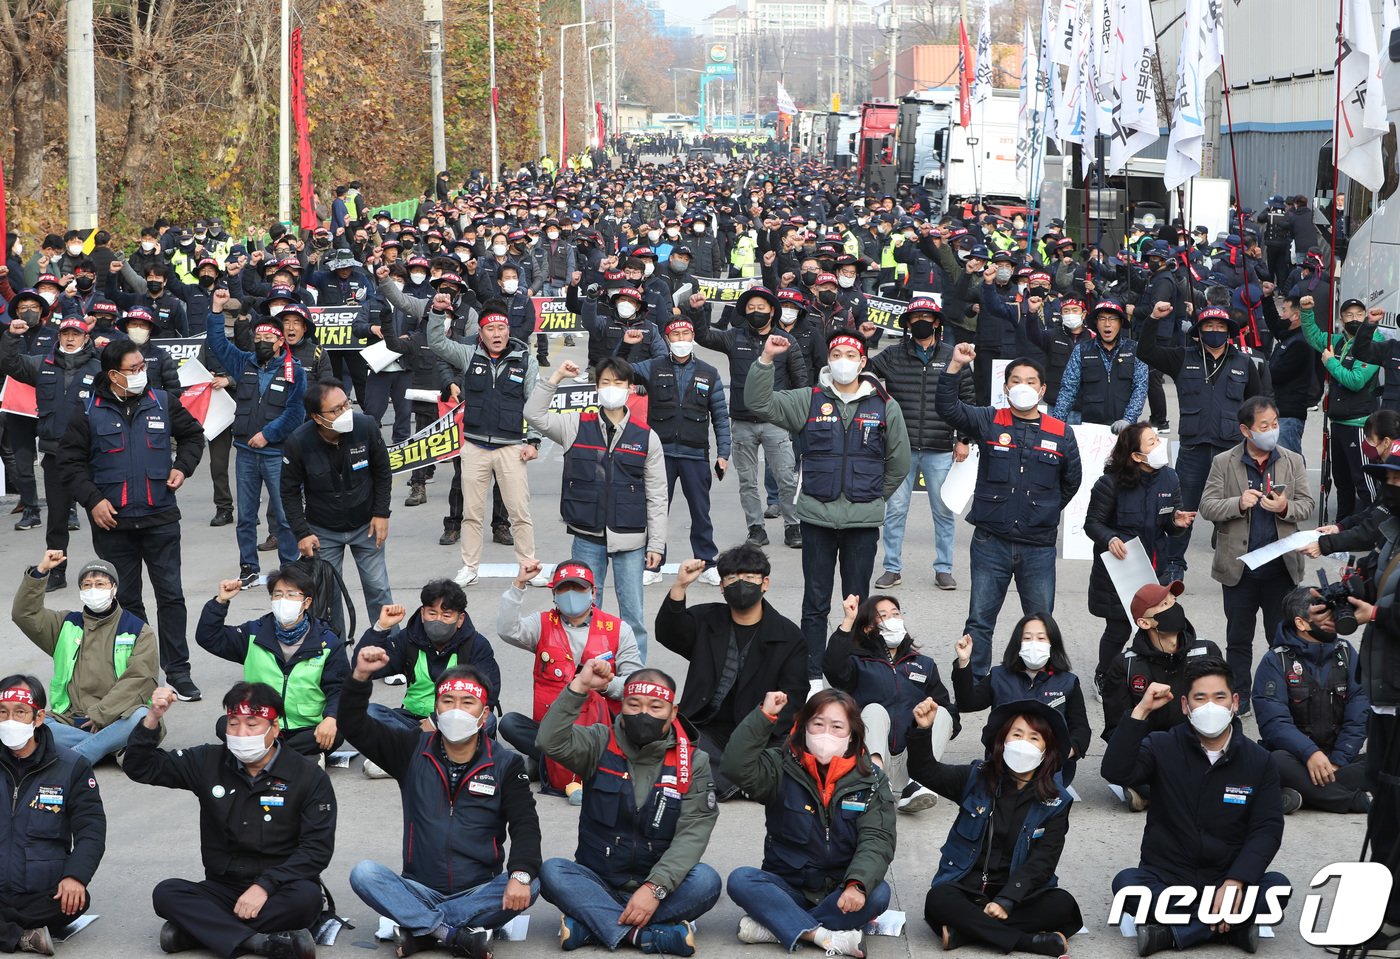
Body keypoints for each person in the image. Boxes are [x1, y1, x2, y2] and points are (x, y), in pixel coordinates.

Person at [342, 648, 540, 959]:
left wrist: (519, 875)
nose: (456, 710)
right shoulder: (409, 748)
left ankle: (420, 928)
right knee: (365, 874)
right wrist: (360, 676)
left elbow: (525, 826)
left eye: (467, 702)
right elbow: (353, 726)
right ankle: (450, 933)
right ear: (436, 707)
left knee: (531, 881)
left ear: (484, 715)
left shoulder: (505, 764)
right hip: (418, 888)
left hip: (479, 889)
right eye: (448, 701)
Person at [746, 330, 911, 690]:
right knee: (815, 602)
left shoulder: (885, 406)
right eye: (836, 354)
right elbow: (759, 404)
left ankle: (854, 671)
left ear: (863, 362)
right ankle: (813, 675)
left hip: (861, 523)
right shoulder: (808, 399)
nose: (843, 361)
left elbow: (899, 464)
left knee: (858, 604)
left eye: (850, 355)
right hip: (817, 519)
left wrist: (870, 496)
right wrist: (765, 360)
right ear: (828, 361)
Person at [123, 682, 336, 959]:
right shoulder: (208, 761)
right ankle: (259, 943)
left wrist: (264, 886)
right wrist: (152, 718)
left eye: (252, 724)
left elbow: (316, 849)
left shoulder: (307, 776)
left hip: (281, 887)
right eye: (233, 724)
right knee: (166, 893)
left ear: (274, 728)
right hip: (224, 886)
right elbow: (140, 767)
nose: (240, 733)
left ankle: (196, 932)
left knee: (306, 901)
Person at [1103, 657, 1288, 956]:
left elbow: (1266, 829)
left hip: (1226, 875)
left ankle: (1172, 934)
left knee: (1277, 888)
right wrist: (1141, 711)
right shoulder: (1161, 745)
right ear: (1185, 706)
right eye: (1200, 698)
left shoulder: (1259, 760)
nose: (1210, 706)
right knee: (1127, 885)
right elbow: (1116, 771)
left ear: (1235, 702)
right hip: (1168, 878)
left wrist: (1236, 880)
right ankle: (1232, 929)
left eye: (1220, 697)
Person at [537, 662, 722, 956]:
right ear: (622, 706)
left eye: (655, 707)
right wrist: (580, 686)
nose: (643, 714)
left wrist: (655, 888)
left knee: (706, 881)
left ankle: (593, 925)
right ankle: (645, 936)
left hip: (661, 889)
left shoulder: (694, 762)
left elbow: (693, 832)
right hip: (599, 880)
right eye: (634, 704)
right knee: (551, 872)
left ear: (673, 712)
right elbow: (549, 741)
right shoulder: (599, 741)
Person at [57, 338, 206, 701]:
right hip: (113, 525)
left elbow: (193, 436)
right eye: (134, 369)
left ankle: (179, 672)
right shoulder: (89, 410)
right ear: (113, 375)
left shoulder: (164, 403)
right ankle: (141, 673)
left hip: (160, 518)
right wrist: (92, 501)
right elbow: (69, 463)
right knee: (126, 600)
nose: (143, 374)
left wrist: (183, 467)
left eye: (144, 367)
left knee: (171, 596)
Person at [936, 344, 1083, 677]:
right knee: (979, 621)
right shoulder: (989, 420)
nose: (1023, 387)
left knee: (1041, 624)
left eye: (1031, 382)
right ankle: (973, 684)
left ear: (1042, 389)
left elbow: (1071, 482)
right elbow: (948, 408)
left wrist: (1043, 511)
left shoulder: (1061, 433)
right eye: (1016, 380)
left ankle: (1042, 685)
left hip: (1038, 546)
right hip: (991, 542)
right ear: (1005, 387)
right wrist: (955, 366)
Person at [722, 688, 895, 959]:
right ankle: (821, 935)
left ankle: (776, 926)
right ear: (804, 727)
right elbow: (734, 766)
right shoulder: (780, 765)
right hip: (788, 885)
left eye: (837, 726)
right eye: (818, 724)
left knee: (878, 893)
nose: (826, 733)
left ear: (852, 735)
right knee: (741, 879)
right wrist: (764, 716)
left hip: (839, 891)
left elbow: (878, 838)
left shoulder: (871, 779)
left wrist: (857, 884)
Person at [913, 698, 1081, 957]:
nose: (1024, 743)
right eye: (1017, 734)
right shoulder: (974, 777)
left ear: (1046, 751)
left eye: (1034, 738)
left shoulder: (1057, 800)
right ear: (1003, 742)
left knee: (1064, 906)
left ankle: (966, 931)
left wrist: (1007, 900)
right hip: (967, 888)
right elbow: (925, 770)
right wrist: (922, 730)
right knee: (938, 900)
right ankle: (1027, 942)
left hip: (1020, 894)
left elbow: (1044, 860)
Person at [525, 358, 667, 660]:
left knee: (633, 616)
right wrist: (557, 376)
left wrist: (656, 543)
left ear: (630, 389)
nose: (611, 389)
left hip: (630, 538)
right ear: (596, 388)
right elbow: (533, 414)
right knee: (586, 612)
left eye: (618, 383)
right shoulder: (576, 425)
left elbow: (657, 494)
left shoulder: (646, 437)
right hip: (586, 535)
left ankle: (632, 679)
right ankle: (587, 673)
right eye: (605, 383)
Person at [653, 547, 808, 800]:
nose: (741, 584)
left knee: (789, 751)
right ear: (722, 587)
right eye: (732, 579)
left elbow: (794, 697)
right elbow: (669, 632)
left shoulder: (788, 636)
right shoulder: (706, 619)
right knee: (668, 736)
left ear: (764, 583)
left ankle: (722, 776)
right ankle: (739, 780)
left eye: (749, 578)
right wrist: (680, 586)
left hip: (758, 732)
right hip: (707, 728)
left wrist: (761, 728)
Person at [1198, 397, 1315, 713]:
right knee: (1238, 638)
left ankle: (1280, 694)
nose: (1272, 431)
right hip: (1240, 569)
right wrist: (1237, 503)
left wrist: (1285, 507)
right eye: (1264, 426)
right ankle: (1240, 695)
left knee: (1282, 638)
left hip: (1280, 569)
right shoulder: (1225, 462)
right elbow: (1207, 506)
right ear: (1246, 430)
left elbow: (1307, 504)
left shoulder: (1292, 460)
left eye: (1275, 424)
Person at [496, 561, 642, 800]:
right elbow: (507, 630)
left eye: (579, 587)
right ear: (554, 594)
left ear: (593, 592)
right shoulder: (542, 624)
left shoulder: (618, 630)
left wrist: (606, 684)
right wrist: (519, 584)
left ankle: (544, 762)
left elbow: (634, 688)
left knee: (629, 736)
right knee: (509, 723)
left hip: (599, 731)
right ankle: (554, 760)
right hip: (552, 729)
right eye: (564, 588)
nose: (571, 594)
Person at [1136, 303, 1261, 581]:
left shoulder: (1244, 363)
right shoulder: (1183, 357)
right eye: (1208, 326)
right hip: (1193, 449)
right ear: (1199, 331)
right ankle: (1173, 564)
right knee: (1182, 509)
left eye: (1220, 327)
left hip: (1232, 450)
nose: (1214, 331)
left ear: (1229, 331)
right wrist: (1153, 317)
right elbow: (1145, 352)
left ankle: (1236, 562)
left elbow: (1258, 404)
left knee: (1236, 508)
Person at [426, 298, 541, 588]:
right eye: (491, 329)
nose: (497, 334)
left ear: (508, 329)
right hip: (475, 447)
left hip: (511, 448)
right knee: (471, 514)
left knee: (519, 512)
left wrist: (534, 441)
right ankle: (469, 567)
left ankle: (528, 563)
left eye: (502, 327)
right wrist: (438, 313)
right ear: (481, 332)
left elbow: (536, 403)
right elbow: (437, 343)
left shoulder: (526, 360)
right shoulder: (468, 355)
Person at [11, 552, 159, 764]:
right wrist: (40, 571)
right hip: (71, 719)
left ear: (114, 589)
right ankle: (106, 748)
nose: (93, 590)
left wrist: (102, 714)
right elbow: (24, 614)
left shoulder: (138, 630)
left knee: (142, 718)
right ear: (80, 590)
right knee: (31, 724)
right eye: (87, 585)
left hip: (119, 717)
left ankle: (73, 759)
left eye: (100, 584)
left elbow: (140, 680)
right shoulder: (64, 624)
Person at [867, 297, 972, 591]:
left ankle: (944, 568)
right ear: (908, 324)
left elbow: (968, 400)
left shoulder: (954, 356)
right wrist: (862, 340)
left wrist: (963, 440)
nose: (921, 322)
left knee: (943, 510)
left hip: (940, 447)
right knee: (896, 509)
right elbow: (862, 372)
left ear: (937, 322)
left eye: (927, 317)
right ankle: (892, 568)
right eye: (915, 318)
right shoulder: (893, 355)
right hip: (901, 447)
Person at [206, 289, 307, 587]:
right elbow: (218, 344)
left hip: (276, 455)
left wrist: (268, 435)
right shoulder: (244, 362)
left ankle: (289, 569)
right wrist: (216, 311)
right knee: (246, 516)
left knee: (286, 516)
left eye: (268, 339)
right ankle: (248, 567)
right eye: (258, 338)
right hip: (246, 454)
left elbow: (295, 413)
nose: (262, 343)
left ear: (280, 342)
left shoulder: (295, 372)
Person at [1083, 424, 1194, 695]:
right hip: (1120, 569)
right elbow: (1092, 524)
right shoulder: (1109, 483)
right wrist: (1110, 538)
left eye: (1157, 439)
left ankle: (1147, 676)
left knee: (1156, 624)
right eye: (1151, 443)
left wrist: (1177, 523)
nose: (1159, 445)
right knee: (1119, 627)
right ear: (1136, 455)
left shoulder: (1169, 478)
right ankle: (1104, 675)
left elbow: (1168, 523)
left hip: (1154, 567)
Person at [0, 674, 106, 957]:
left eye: (20, 712)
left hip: (43, 893)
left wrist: (76, 876)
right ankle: (20, 936)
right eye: (2, 712)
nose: (9, 720)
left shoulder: (72, 766)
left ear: (38, 717)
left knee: (75, 901)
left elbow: (91, 830)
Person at [694, 286, 807, 549]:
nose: (756, 312)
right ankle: (756, 528)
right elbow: (704, 336)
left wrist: (798, 417)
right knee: (747, 481)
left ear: (772, 311)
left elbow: (801, 382)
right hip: (742, 422)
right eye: (751, 308)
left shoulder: (785, 342)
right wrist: (698, 311)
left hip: (776, 422)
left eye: (762, 307)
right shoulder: (734, 338)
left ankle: (793, 526)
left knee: (786, 478)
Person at [824, 593, 959, 813]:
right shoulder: (857, 662)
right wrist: (848, 620)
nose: (892, 619)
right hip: (872, 757)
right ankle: (874, 780)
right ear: (868, 627)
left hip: (914, 761)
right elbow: (832, 668)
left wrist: (936, 722)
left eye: (896, 613)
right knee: (874, 710)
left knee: (941, 711)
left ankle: (920, 783)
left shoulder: (924, 664)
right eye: (883, 615)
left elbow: (950, 711)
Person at [195, 564, 348, 758]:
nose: (283, 600)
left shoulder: (327, 642)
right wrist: (220, 602)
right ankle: (289, 758)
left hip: (306, 727)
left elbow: (339, 688)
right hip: (260, 722)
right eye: (277, 594)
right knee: (224, 725)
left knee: (336, 732)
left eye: (291, 595)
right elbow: (208, 637)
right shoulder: (253, 633)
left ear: (306, 602)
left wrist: (331, 718)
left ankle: (265, 754)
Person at [350, 580, 501, 773]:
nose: (438, 620)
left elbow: (490, 694)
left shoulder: (477, 645)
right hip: (413, 722)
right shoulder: (408, 639)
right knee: (370, 713)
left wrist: (435, 720)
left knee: (487, 722)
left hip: (456, 719)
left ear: (460, 619)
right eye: (432, 613)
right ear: (422, 614)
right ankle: (441, 758)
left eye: (446, 615)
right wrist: (380, 629)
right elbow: (361, 667)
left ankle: (407, 757)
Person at [279, 382, 393, 635]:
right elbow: (288, 492)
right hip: (322, 531)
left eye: (346, 404)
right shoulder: (298, 442)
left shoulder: (366, 427)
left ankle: (387, 652)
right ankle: (335, 654)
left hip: (366, 525)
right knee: (327, 597)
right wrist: (302, 532)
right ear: (317, 417)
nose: (345, 412)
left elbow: (383, 472)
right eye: (336, 410)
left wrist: (381, 513)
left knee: (378, 588)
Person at [0, 308, 102, 592]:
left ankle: (111, 568)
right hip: (56, 456)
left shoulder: (99, 366)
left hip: (91, 456)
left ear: (85, 336)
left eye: (76, 334)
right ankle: (57, 573)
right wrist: (11, 336)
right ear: (59, 336)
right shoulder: (41, 363)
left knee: (99, 514)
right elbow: (9, 363)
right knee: (57, 518)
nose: (70, 339)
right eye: (66, 334)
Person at [1100, 582, 1224, 810]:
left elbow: (1226, 712)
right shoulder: (1126, 665)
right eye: (1163, 605)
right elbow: (1116, 731)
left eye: (1173, 602)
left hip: (1199, 747)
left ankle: (1155, 793)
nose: (1173, 607)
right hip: (1153, 751)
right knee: (1120, 768)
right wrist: (1142, 710)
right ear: (1144, 623)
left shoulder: (1207, 652)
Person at [628, 317, 732, 585]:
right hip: (659, 454)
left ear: (693, 336)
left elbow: (720, 416)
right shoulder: (653, 366)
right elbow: (618, 371)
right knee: (656, 510)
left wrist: (723, 453)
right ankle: (653, 563)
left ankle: (707, 561)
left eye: (687, 334)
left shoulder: (709, 372)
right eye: (676, 335)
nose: (682, 340)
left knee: (701, 510)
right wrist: (625, 346)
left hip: (695, 454)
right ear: (667, 339)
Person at [1252, 586, 1371, 815]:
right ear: (1301, 623)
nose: (1333, 620)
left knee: (1390, 758)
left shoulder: (1346, 653)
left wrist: (1338, 759)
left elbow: (1360, 710)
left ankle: (1303, 794)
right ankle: (1351, 800)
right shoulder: (1275, 661)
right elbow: (1274, 724)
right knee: (1275, 762)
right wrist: (1310, 754)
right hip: (1296, 759)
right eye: (1324, 615)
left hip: (1339, 758)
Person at [1349, 452, 1400, 950]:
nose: (1390, 487)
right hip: (1383, 693)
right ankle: (1384, 901)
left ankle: (1394, 913)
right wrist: (1353, 594)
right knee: (1381, 803)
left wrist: (1378, 615)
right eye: (1386, 477)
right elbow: (1380, 585)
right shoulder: (1394, 535)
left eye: (1398, 479)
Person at [950, 614, 1092, 785]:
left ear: (1052, 644)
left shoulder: (1068, 682)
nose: (1034, 643)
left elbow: (1081, 728)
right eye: (1027, 638)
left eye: (1041, 638)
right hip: (1002, 764)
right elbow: (967, 703)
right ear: (1018, 643)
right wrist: (963, 662)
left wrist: (1064, 753)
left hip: (1049, 769)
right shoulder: (999, 676)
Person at [1300, 295, 1380, 521]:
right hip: (1338, 423)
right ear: (1341, 319)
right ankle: (1341, 529)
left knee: (1364, 483)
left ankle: (1373, 530)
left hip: (1360, 424)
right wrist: (1307, 312)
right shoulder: (1339, 340)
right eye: (1348, 315)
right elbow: (1314, 337)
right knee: (1342, 482)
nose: (1354, 319)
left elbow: (1356, 380)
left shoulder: (1374, 341)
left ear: (1366, 317)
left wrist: (1331, 362)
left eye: (1359, 314)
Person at [1050, 299, 1149, 430]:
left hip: (1125, 427)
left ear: (1120, 323)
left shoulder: (1135, 349)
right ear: (1096, 323)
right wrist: (1056, 425)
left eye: (1112, 319)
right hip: (1090, 428)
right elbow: (1068, 390)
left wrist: (1128, 419)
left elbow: (1140, 388)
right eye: (1102, 319)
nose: (1107, 324)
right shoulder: (1081, 350)